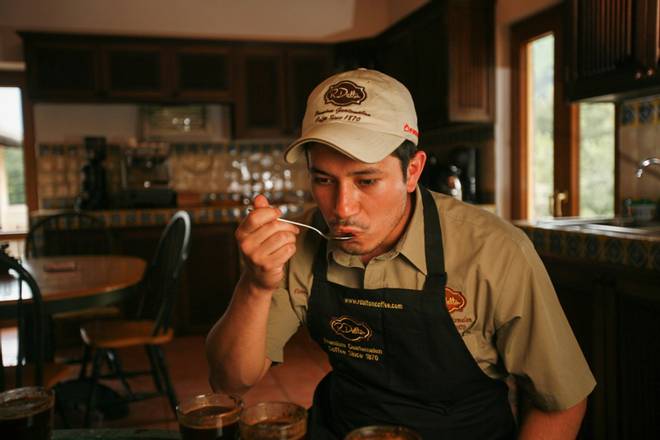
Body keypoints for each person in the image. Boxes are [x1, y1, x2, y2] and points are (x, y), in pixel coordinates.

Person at [206, 68, 595, 439]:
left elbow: (561, 401)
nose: (342, 208)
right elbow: (230, 380)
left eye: (367, 180)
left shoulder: (495, 253)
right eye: (323, 179)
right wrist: (256, 284)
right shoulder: (299, 244)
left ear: (412, 171)